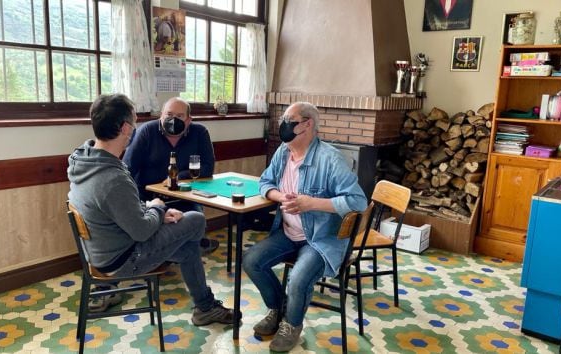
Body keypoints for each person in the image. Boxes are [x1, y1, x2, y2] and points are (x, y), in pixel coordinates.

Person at [67, 94, 233, 326]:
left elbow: (122, 208)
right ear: (125, 128)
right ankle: (204, 303)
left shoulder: (83, 160)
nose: (135, 129)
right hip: (123, 260)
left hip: (101, 251)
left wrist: (156, 213)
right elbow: (142, 232)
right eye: (134, 123)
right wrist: (157, 208)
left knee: (186, 247)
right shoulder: (113, 177)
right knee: (195, 220)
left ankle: (204, 306)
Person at [243, 102, 367, 352]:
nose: (283, 126)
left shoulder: (330, 159)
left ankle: (292, 324)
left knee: (298, 279)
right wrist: (281, 197)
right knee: (251, 261)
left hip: (320, 239)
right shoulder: (283, 151)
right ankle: (278, 310)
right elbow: (265, 181)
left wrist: (312, 203)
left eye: (290, 120)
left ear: (308, 124)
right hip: (287, 233)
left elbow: (358, 201)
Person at [123, 97, 220, 254]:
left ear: (188, 120)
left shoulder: (199, 133)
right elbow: (127, 169)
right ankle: (169, 254)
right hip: (149, 198)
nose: (173, 120)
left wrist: (178, 176)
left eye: (180, 116)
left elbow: (208, 167)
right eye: (169, 114)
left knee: (197, 221)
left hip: (185, 197)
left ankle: (186, 251)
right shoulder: (146, 132)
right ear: (161, 115)